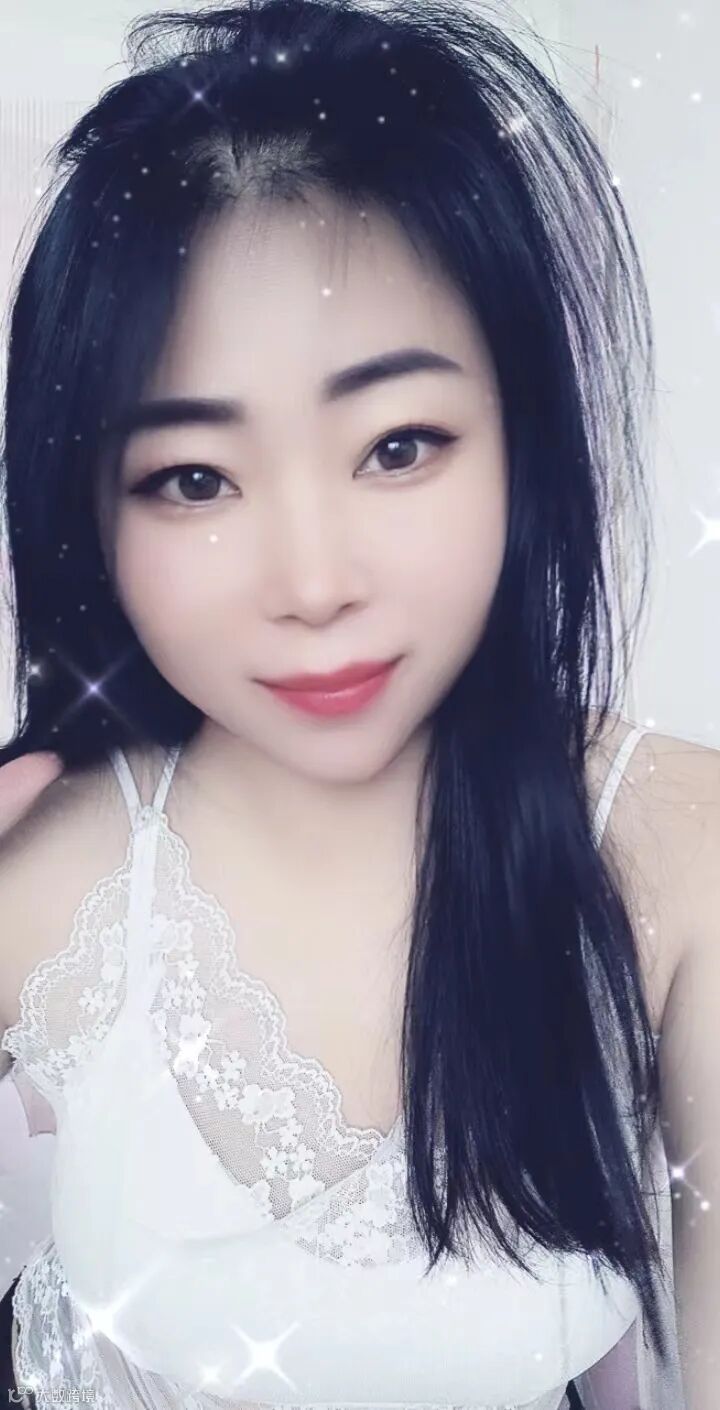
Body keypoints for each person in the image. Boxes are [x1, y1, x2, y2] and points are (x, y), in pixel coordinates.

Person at [0, 0, 717, 1407]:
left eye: (399, 446)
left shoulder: (678, 849)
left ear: (521, 440)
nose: (315, 583)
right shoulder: (52, 871)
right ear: (92, 512)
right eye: (194, 479)